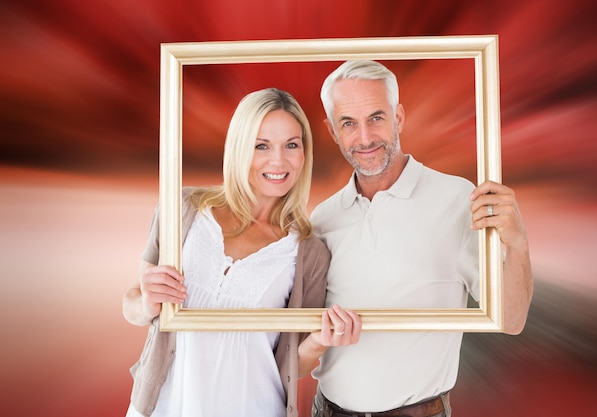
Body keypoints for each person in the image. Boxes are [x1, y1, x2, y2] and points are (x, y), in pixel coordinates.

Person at [310, 61, 533, 417]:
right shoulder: (322, 218)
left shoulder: (458, 199)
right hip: (327, 410)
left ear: (398, 117)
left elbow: (511, 320)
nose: (364, 137)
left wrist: (518, 244)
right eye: (348, 123)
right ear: (333, 131)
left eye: (377, 117)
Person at [122, 87, 362, 417]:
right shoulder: (183, 208)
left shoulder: (309, 253)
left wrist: (322, 340)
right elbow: (133, 303)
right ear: (238, 148)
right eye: (261, 145)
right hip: (163, 408)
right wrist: (148, 301)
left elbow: (291, 364)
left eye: (291, 145)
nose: (278, 161)